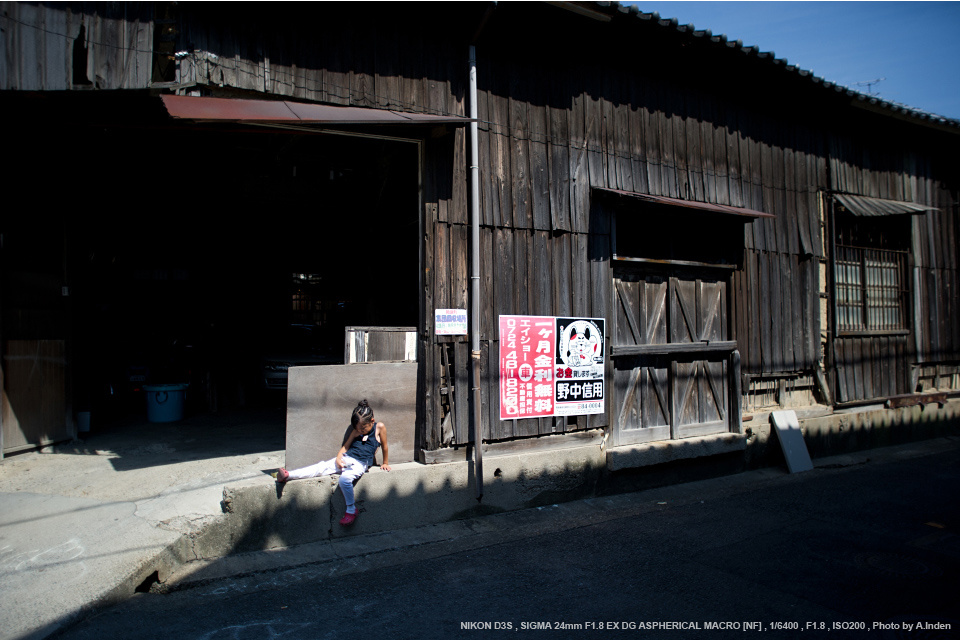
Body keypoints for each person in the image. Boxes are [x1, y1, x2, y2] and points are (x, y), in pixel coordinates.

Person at [276, 398, 390, 525]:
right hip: (346, 458)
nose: (361, 431)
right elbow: (346, 446)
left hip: (360, 463)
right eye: (358, 429)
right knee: (321, 467)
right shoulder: (356, 430)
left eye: (363, 428)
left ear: (372, 421)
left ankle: (351, 510)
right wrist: (338, 458)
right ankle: (289, 475)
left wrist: (385, 462)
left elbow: (384, 446)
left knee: (344, 479)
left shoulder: (379, 427)